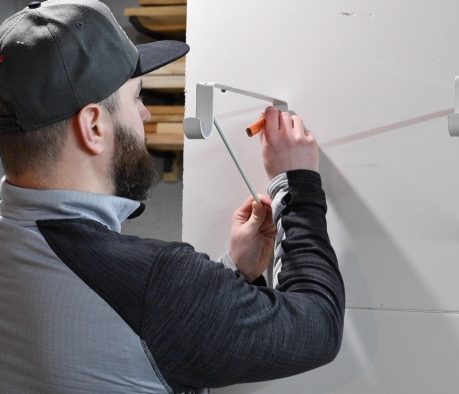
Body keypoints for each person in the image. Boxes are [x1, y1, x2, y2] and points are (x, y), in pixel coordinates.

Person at [0, 1, 345, 393]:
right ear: (93, 125)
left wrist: (232, 273)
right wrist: (294, 182)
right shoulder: (156, 284)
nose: (145, 116)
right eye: (136, 97)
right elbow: (318, 324)